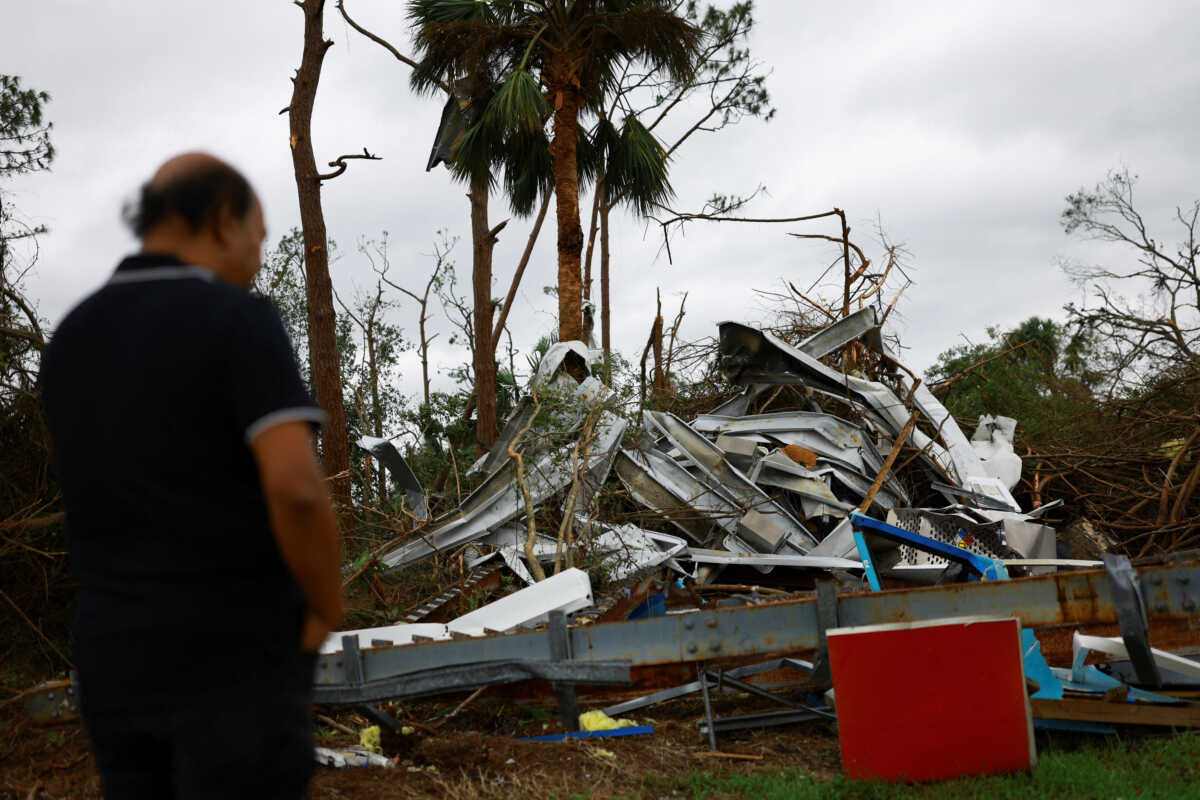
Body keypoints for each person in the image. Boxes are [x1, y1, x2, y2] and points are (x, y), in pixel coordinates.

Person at [39, 153, 344, 799]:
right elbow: (295, 487)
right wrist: (324, 603)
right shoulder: (238, 320)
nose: (258, 260)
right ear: (223, 217)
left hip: (110, 652)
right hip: (232, 650)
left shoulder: (72, 336)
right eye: (258, 239)